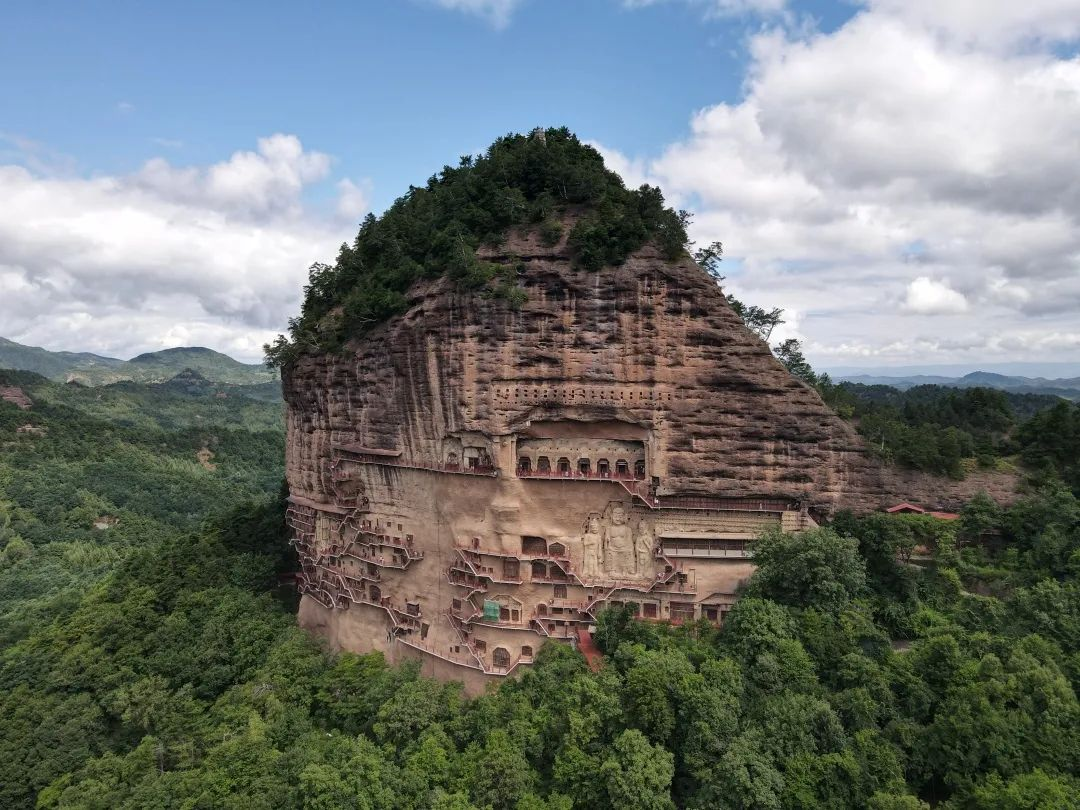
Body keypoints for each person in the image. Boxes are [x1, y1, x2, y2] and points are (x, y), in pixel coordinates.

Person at [604, 504, 635, 577]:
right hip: (612, 548)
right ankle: (612, 570)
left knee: (627, 554)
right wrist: (607, 542)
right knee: (610, 554)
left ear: (624, 517)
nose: (618, 519)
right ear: (612, 517)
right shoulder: (609, 528)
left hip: (624, 548)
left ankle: (625, 570)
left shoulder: (627, 529)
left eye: (620, 517)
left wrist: (629, 549)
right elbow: (607, 539)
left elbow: (629, 541)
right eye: (616, 517)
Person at [581, 513, 603, 579]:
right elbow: (585, 543)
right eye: (593, 528)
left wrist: (599, 553)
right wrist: (591, 542)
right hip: (589, 551)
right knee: (589, 563)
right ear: (590, 528)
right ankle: (589, 573)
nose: (595, 529)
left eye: (596, 528)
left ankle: (595, 573)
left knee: (595, 563)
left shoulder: (598, 536)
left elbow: (599, 545)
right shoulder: (587, 535)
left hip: (595, 551)